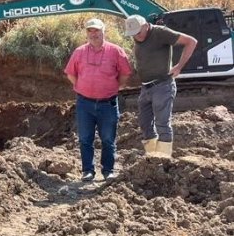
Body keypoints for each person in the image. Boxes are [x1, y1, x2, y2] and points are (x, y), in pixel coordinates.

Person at [64, 18, 132, 181]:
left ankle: (108, 170)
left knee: (108, 138)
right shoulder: (79, 52)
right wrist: (82, 86)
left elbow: (125, 73)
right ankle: (88, 171)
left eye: (96, 30)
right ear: (86, 33)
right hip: (84, 103)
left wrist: (114, 87)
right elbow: (71, 73)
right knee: (85, 138)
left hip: (107, 103)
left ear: (103, 31)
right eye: (90, 30)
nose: (93, 34)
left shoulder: (115, 51)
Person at [123, 14, 197, 158]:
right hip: (146, 87)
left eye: (138, 32)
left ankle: (163, 159)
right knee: (145, 124)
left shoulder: (160, 33)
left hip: (162, 85)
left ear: (145, 25)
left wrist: (179, 66)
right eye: (133, 34)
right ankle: (152, 158)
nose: (136, 36)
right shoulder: (137, 36)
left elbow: (191, 41)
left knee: (162, 124)